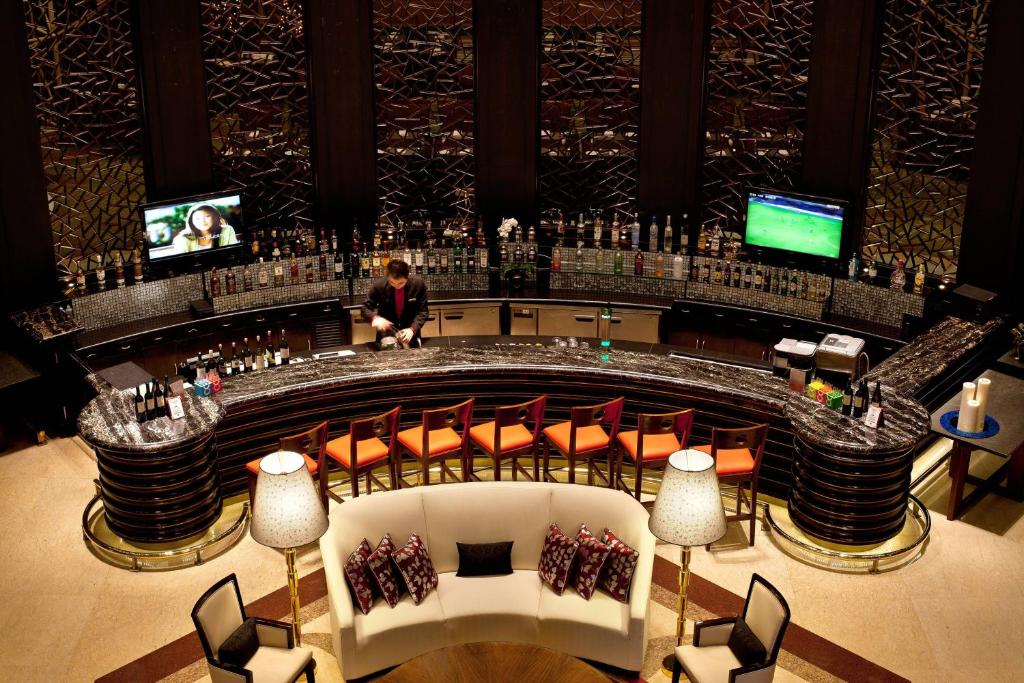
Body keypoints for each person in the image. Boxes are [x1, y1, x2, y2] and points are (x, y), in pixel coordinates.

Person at [361, 260, 429, 347]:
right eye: (392, 282)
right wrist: (375, 318)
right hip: (386, 338)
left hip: (410, 335)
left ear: (407, 277)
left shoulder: (418, 284)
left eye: (401, 283)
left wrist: (413, 329)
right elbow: (365, 309)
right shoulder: (379, 285)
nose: (397, 286)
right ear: (388, 277)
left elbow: (423, 312)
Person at [172, 204, 238, 254]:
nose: (202, 221)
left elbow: (234, 252)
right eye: (197, 218)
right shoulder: (182, 239)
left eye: (207, 216)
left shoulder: (227, 230)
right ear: (191, 221)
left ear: (214, 217)